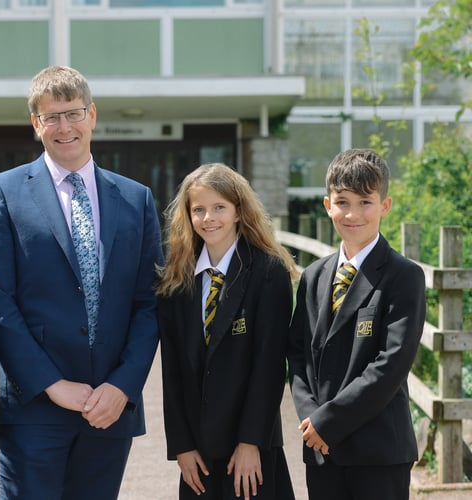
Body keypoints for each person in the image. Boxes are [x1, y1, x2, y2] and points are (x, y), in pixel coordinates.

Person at [0, 65, 163, 500]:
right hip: (34, 407)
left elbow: (150, 302)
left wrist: (122, 387)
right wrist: (52, 385)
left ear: (92, 115)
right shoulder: (2, 192)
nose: (64, 127)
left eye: (73, 113)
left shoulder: (136, 199)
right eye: (51, 117)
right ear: (36, 125)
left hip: (110, 409)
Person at [287, 149, 426, 500]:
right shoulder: (314, 276)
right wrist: (311, 420)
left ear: (385, 205)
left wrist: (328, 421)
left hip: (378, 451)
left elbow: (391, 364)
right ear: (326, 204)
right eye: (342, 202)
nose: (353, 214)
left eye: (366, 202)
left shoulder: (403, 276)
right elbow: (298, 354)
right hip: (321, 451)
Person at [157, 163, 297, 500]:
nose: (209, 218)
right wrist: (181, 447)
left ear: (238, 211)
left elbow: (270, 367)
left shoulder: (268, 273)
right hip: (197, 454)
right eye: (199, 209)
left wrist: (251, 442)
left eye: (219, 207)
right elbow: (171, 371)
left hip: (250, 449)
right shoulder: (176, 281)